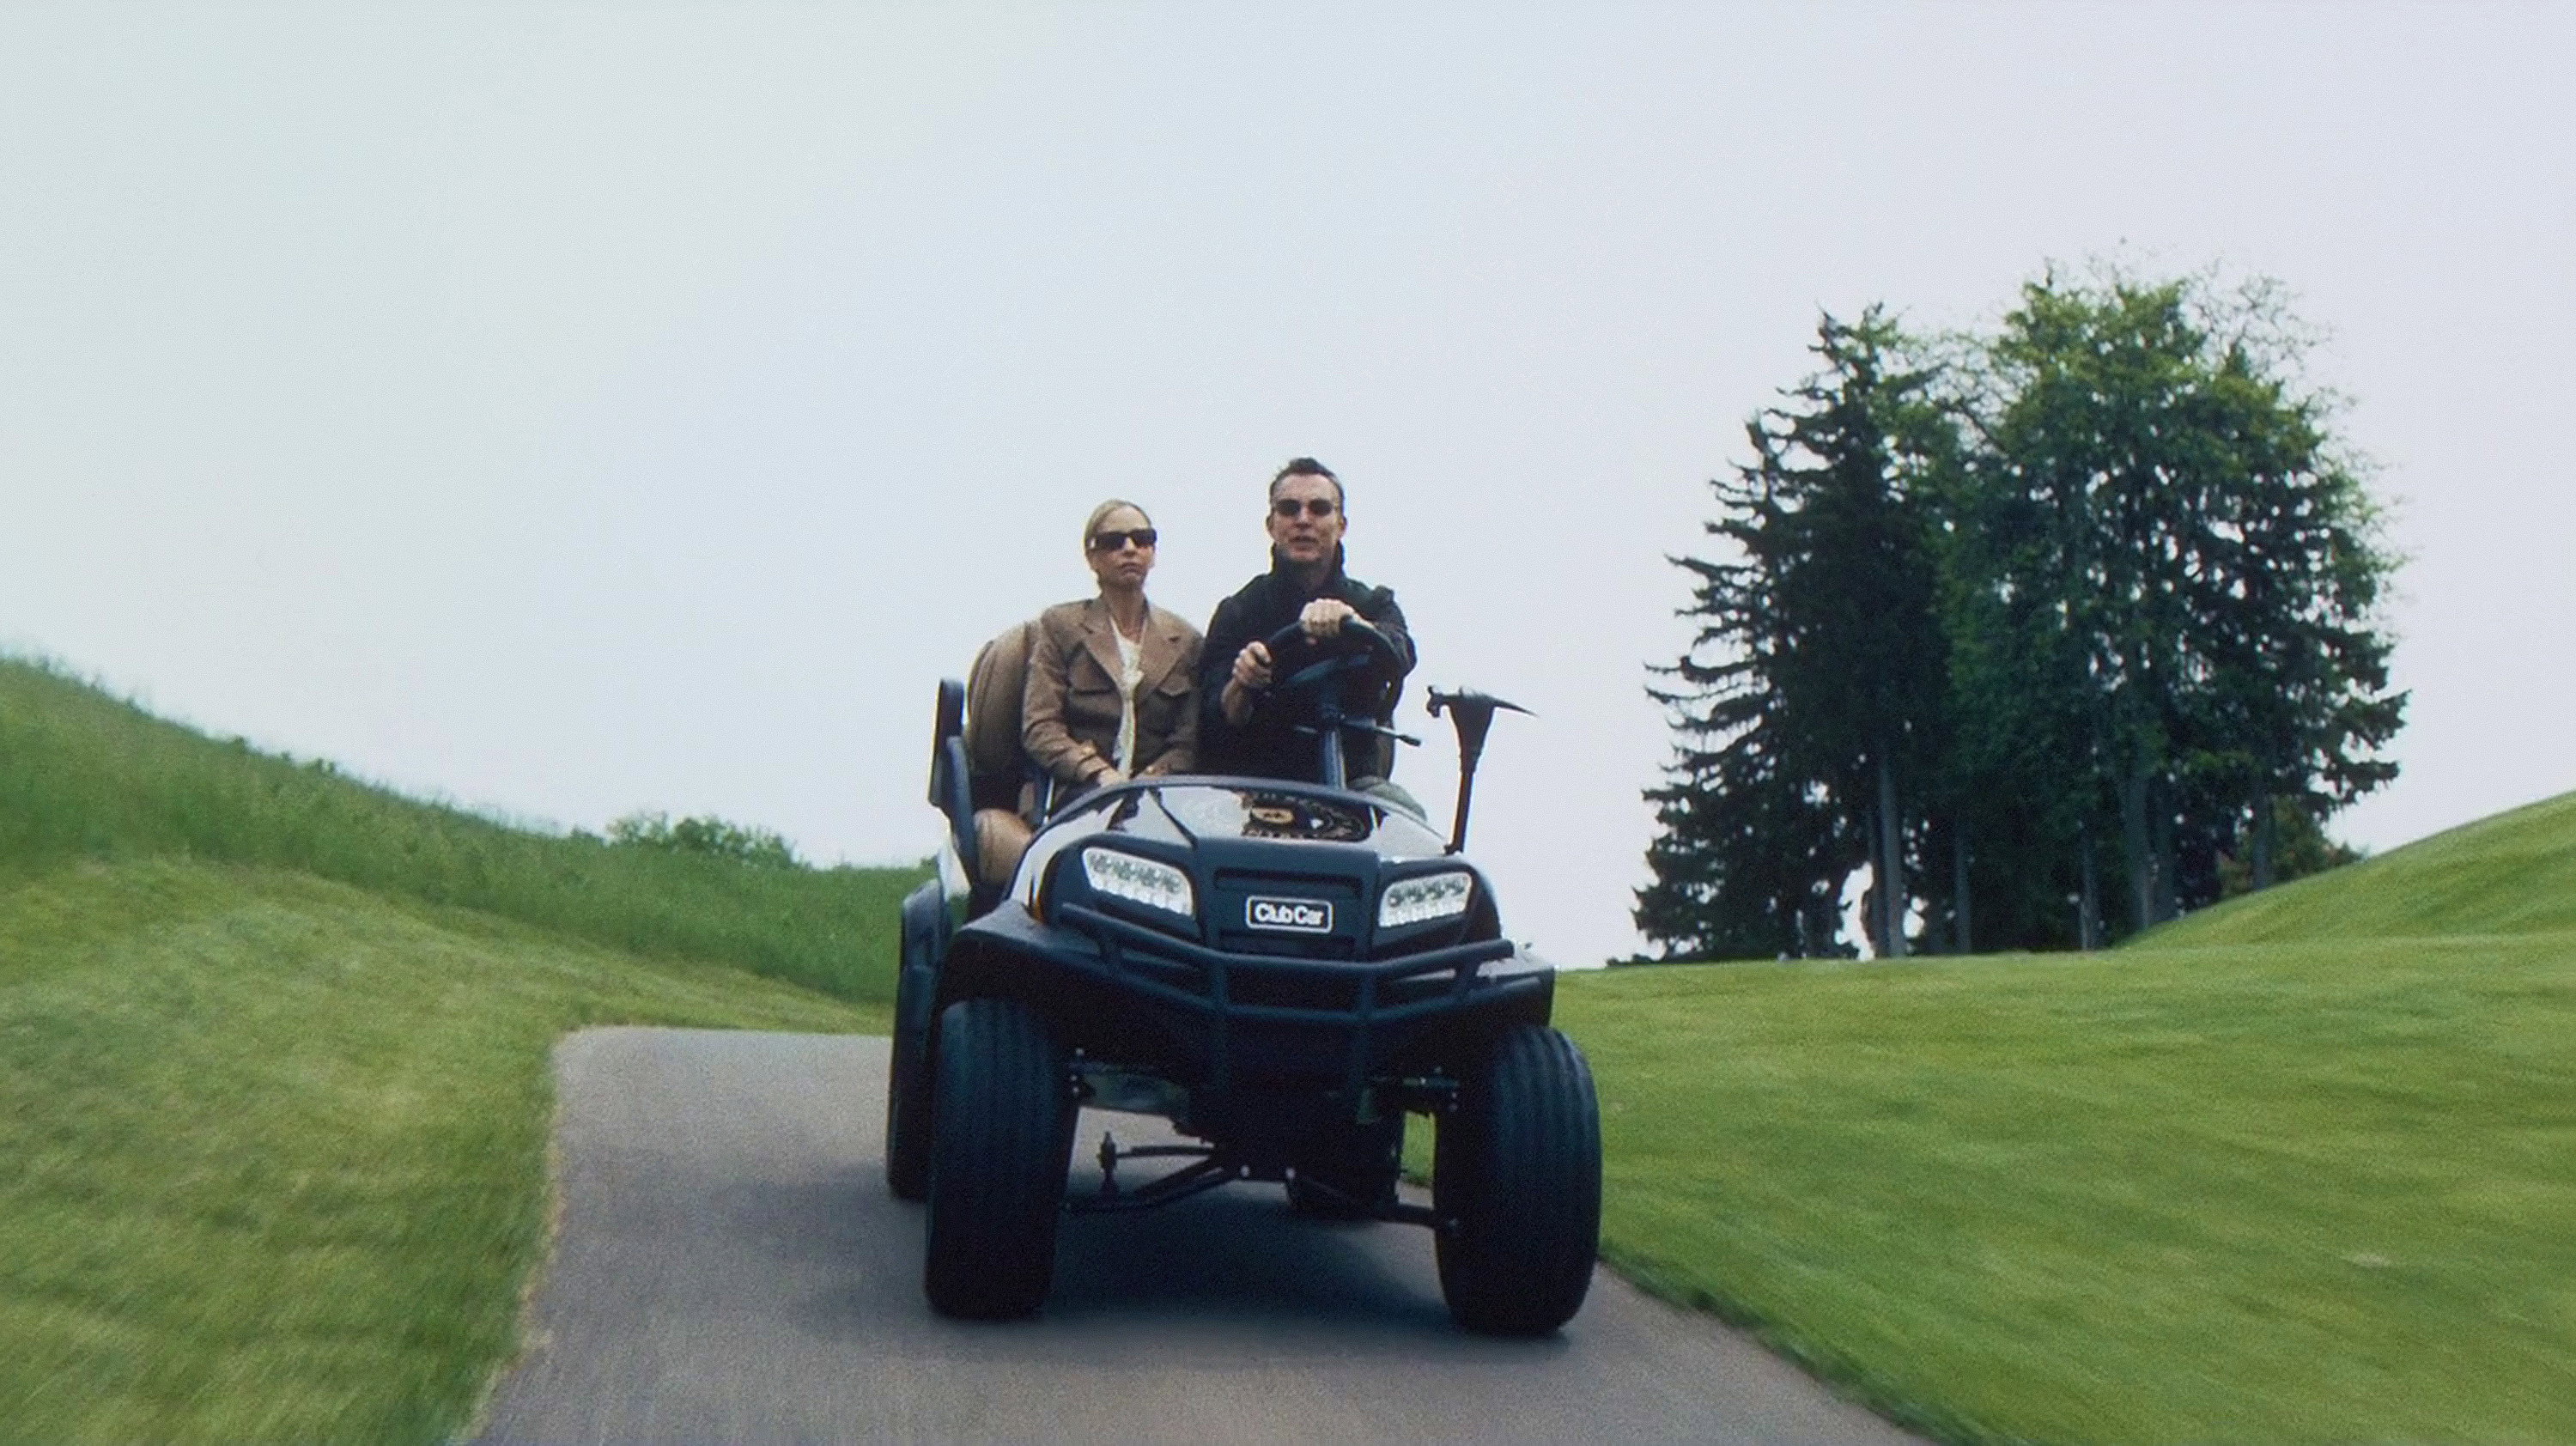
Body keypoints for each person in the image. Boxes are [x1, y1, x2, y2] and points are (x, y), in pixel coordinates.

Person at [1198, 458, 1420, 809]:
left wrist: (1356, 624)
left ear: (1341, 525)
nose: (1303, 520)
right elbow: (1212, 717)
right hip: (1253, 793)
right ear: (1271, 525)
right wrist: (1242, 682)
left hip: (1355, 790)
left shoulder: (1373, 603)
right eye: (1289, 509)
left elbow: (1401, 651)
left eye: (1319, 509)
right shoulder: (1239, 611)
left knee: (1403, 814)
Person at [1022, 499, 1205, 798]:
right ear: (1092, 558)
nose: (1130, 549)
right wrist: (1097, 773)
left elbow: (1188, 741)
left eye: (1142, 539)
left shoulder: (1186, 641)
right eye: (1113, 542)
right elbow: (1041, 727)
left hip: (1156, 799)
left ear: (1153, 553)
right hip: (1075, 795)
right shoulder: (1061, 627)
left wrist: (1147, 782)